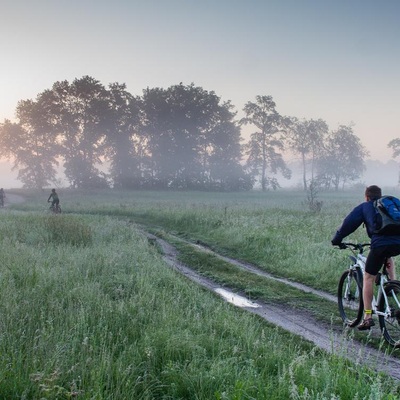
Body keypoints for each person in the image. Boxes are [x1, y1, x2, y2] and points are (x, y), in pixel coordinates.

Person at [332, 185, 400, 330]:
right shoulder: (390, 205)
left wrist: (337, 239)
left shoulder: (366, 206)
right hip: (398, 243)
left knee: (368, 277)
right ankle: (392, 286)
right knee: (388, 256)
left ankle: (367, 317)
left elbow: (348, 225)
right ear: (380, 195)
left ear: (367, 196)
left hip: (380, 244)